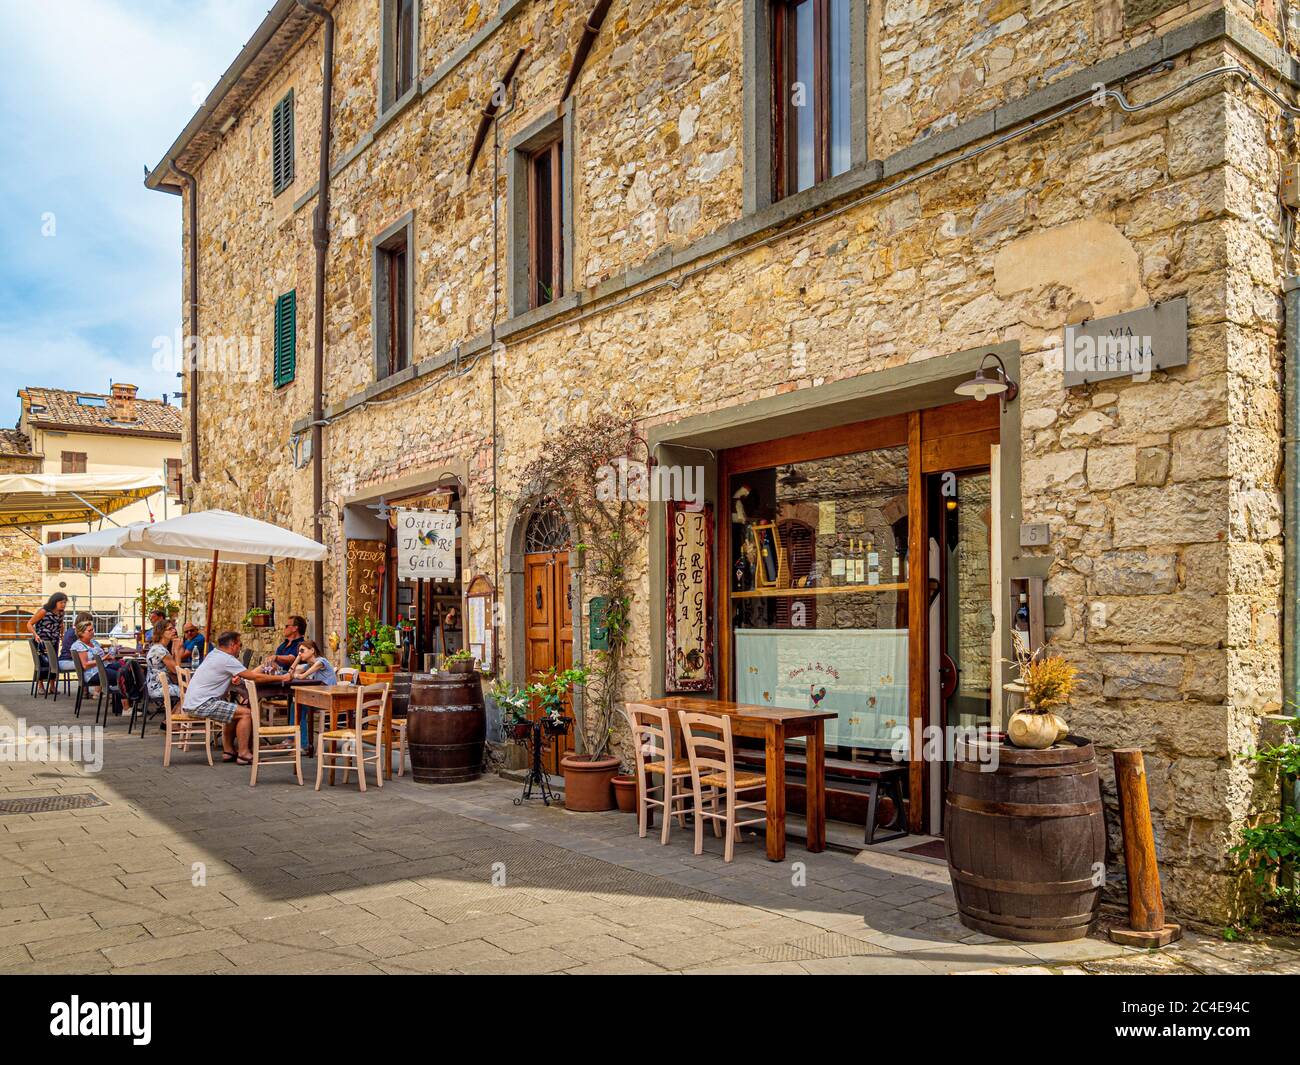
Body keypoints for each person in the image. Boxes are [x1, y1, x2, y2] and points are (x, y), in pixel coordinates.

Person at [181, 631, 279, 765]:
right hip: (203, 703)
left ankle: (228, 751)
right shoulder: (227, 659)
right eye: (240, 645)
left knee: (234, 711)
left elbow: (237, 674)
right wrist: (282, 677)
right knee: (246, 714)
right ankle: (244, 753)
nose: (240, 648)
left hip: (194, 702)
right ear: (232, 645)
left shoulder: (214, 654)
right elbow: (253, 676)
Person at [287, 639, 337, 752]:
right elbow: (291, 673)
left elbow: (301, 676)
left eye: (302, 650)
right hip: (319, 698)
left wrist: (296, 673)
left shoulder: (321, 662)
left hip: (329, 698)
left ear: (312, 650)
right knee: (295, 705)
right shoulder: (309, 664)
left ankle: (302, 744)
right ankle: (295, 740)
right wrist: (298, 658)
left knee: (299, 706)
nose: (299, 653)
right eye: (299, 651)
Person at [27, 592, 71, 694]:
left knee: (53, 663)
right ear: (55, 602)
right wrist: (35, 635)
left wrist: (62, 635)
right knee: (42, 663)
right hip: (41, 641)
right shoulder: (44, 611)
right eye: (61, 602)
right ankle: (40, 686)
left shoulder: (61, 613)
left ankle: (52, 686)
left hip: (54, 641)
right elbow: (29, 623)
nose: (63, 604)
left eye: (65, 602)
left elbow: (61, 624)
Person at [70, 619, 123, 688]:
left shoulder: (93, 642)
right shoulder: (79, 645)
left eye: (93, 629)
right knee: (122, 676)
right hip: (92, 673)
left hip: (103, 666)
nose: (92, 632)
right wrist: (103, 659)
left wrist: (108, 657)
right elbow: (85, 665)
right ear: (81, 633)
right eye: (90, 630)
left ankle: (123, 696)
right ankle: (126, 697)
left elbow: (102, 654)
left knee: (126, 666)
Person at [145, 620, 182, 706]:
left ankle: (172, 718)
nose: (174, 631)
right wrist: (177, 650)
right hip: (159, 688)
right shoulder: (160, 651)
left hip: (154, 687)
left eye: (173, 628)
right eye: (170, 629)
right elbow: (176, 671)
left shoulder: (158, 647)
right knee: (189, 691)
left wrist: (174, 650)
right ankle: (171, 718)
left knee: (188, 690)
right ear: (161, 633)